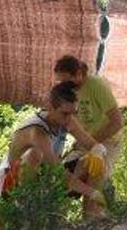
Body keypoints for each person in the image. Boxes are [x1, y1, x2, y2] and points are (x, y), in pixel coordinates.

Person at [0, 81, 109, 217]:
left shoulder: (67, 119)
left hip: (44, 176)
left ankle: (92, 217)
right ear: (50, 108)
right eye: (65, 114)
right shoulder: (37, 131)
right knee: (34, 154)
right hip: (12, 184)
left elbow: (92, 144)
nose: (69, 119)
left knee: (93, 163)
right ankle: (25, 211)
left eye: (73, 113)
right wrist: (92, 192)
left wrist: (98, 152)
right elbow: (57, 172)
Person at [53, 55, 123, 212]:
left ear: (78, 73)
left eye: (66, 81)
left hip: (107, 141)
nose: (64, 86)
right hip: (83, 142)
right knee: (68, 178)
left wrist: (91, 143)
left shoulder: (96, 85)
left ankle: (92, 221)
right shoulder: (67, 92)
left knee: (95, 173)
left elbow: (117, 122)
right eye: (60, 82)